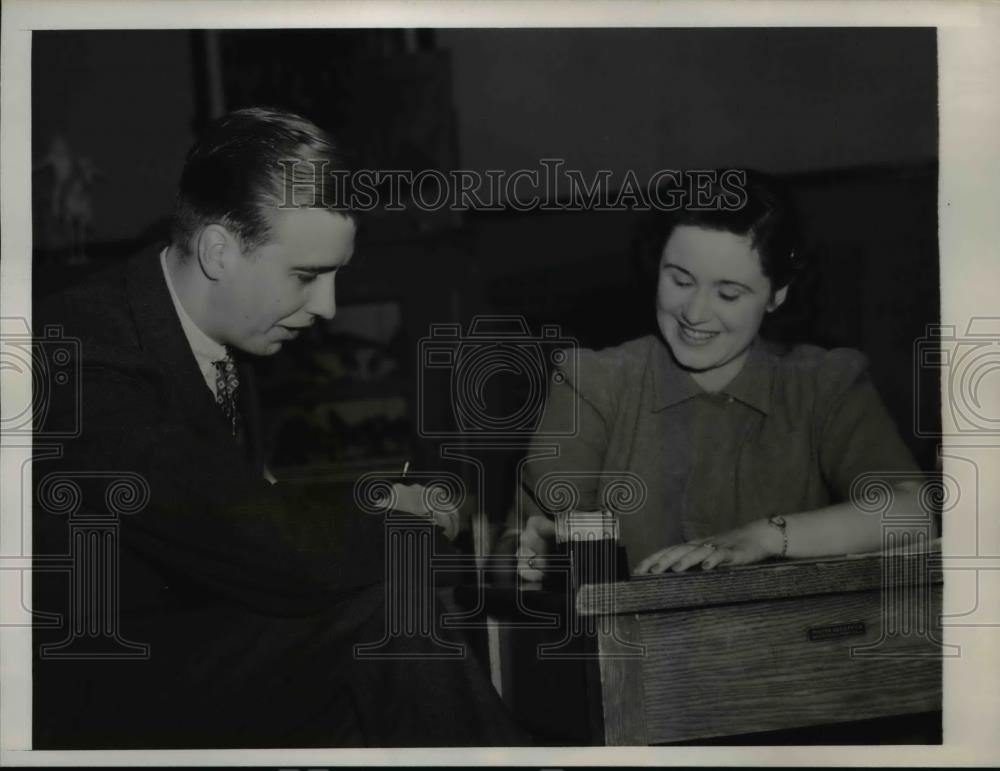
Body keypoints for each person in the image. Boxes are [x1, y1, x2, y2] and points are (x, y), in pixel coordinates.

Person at [32, 107, 525, 748]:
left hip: (191, 649)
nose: (327, 308)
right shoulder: (77, 351)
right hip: (83, 691)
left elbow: (237, 511)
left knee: (382, 663)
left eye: (335, 276)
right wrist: (408, 527)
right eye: (306, 277)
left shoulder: (216, 327)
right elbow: (235, 531)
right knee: (383, 618)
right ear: (218, 251)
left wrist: (378, 503)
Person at [507, 170, 935, 579]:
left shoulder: (825, 384)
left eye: (728, 293)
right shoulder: (593, 383)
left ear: (776, 294)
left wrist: (764, 537)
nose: (694, 314)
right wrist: (536, 554)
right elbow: (527, 545)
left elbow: (914, 514)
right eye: (680, 280)